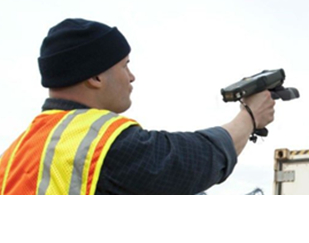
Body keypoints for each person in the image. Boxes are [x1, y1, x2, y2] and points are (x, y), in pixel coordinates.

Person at [0, 18, 275, 195]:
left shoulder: (18, 151)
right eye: (125, 65)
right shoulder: (94, 142)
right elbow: (191, 162)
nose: (131, 77)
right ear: (95, 77)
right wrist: (250, 117)